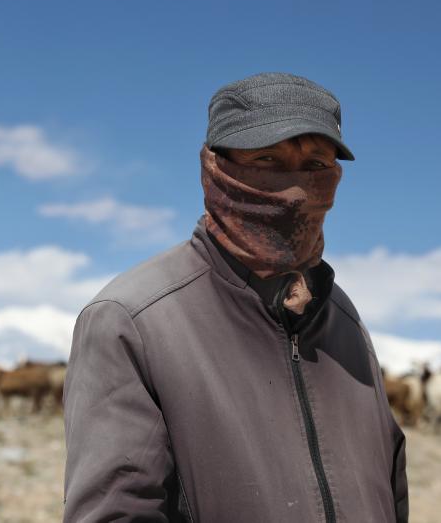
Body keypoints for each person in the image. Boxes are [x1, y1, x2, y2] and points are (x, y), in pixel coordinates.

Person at [63, 72, 408, 522]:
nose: (294, 189)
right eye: (266, 159)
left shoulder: (343, 320)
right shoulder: (133, 321)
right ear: (215, 167)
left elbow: (389, 489)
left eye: (315, 164)